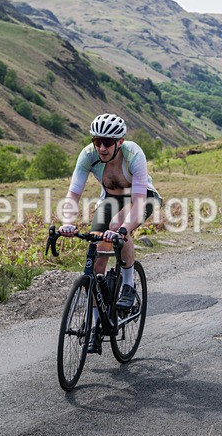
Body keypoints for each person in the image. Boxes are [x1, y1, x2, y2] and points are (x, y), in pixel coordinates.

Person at [58, 113, 161, 353]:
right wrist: (67, 223)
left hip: (142, 197)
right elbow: (73, 195)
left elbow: (136, 202)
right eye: (97, 141)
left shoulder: (134, 154)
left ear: (120, 142)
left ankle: (128, 284)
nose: (102, 147)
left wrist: (123, 230)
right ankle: (95, 326)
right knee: (95, 259)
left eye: (107, 142)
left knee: (116, 227)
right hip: (111, 199)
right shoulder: (88, 155)